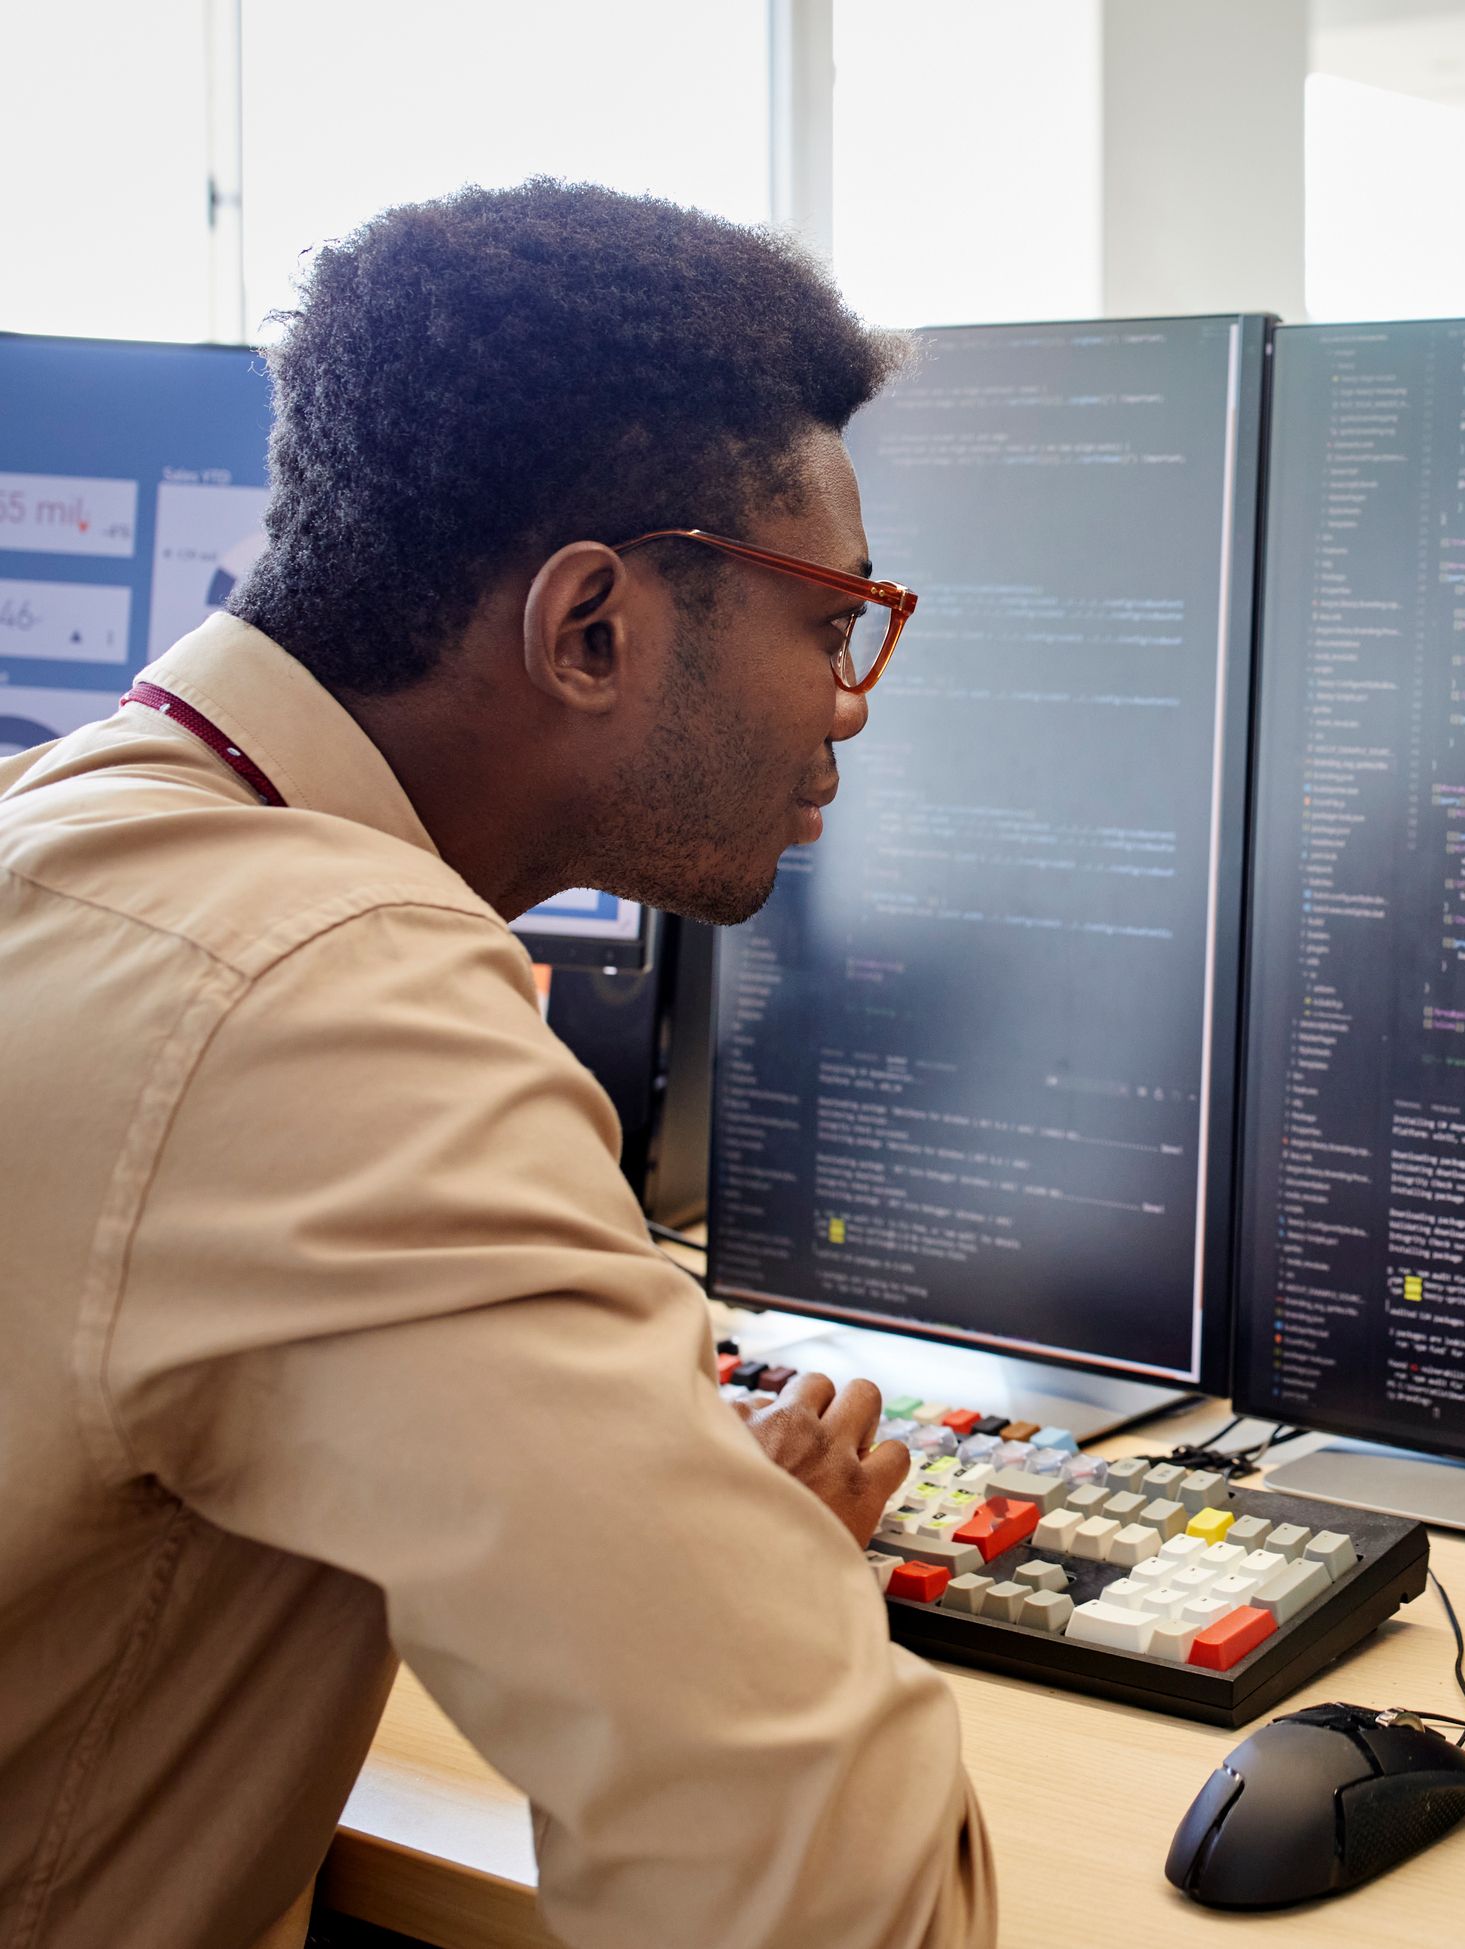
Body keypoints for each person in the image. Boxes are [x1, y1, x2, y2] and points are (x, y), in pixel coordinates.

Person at [0, 181, 989, 1948]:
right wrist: (762, 1602)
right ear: (590, 625)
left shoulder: (74, 832)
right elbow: (806, 1867)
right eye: (832, 620)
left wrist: (657, 1531)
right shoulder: (326, 1000)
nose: (850, 698)